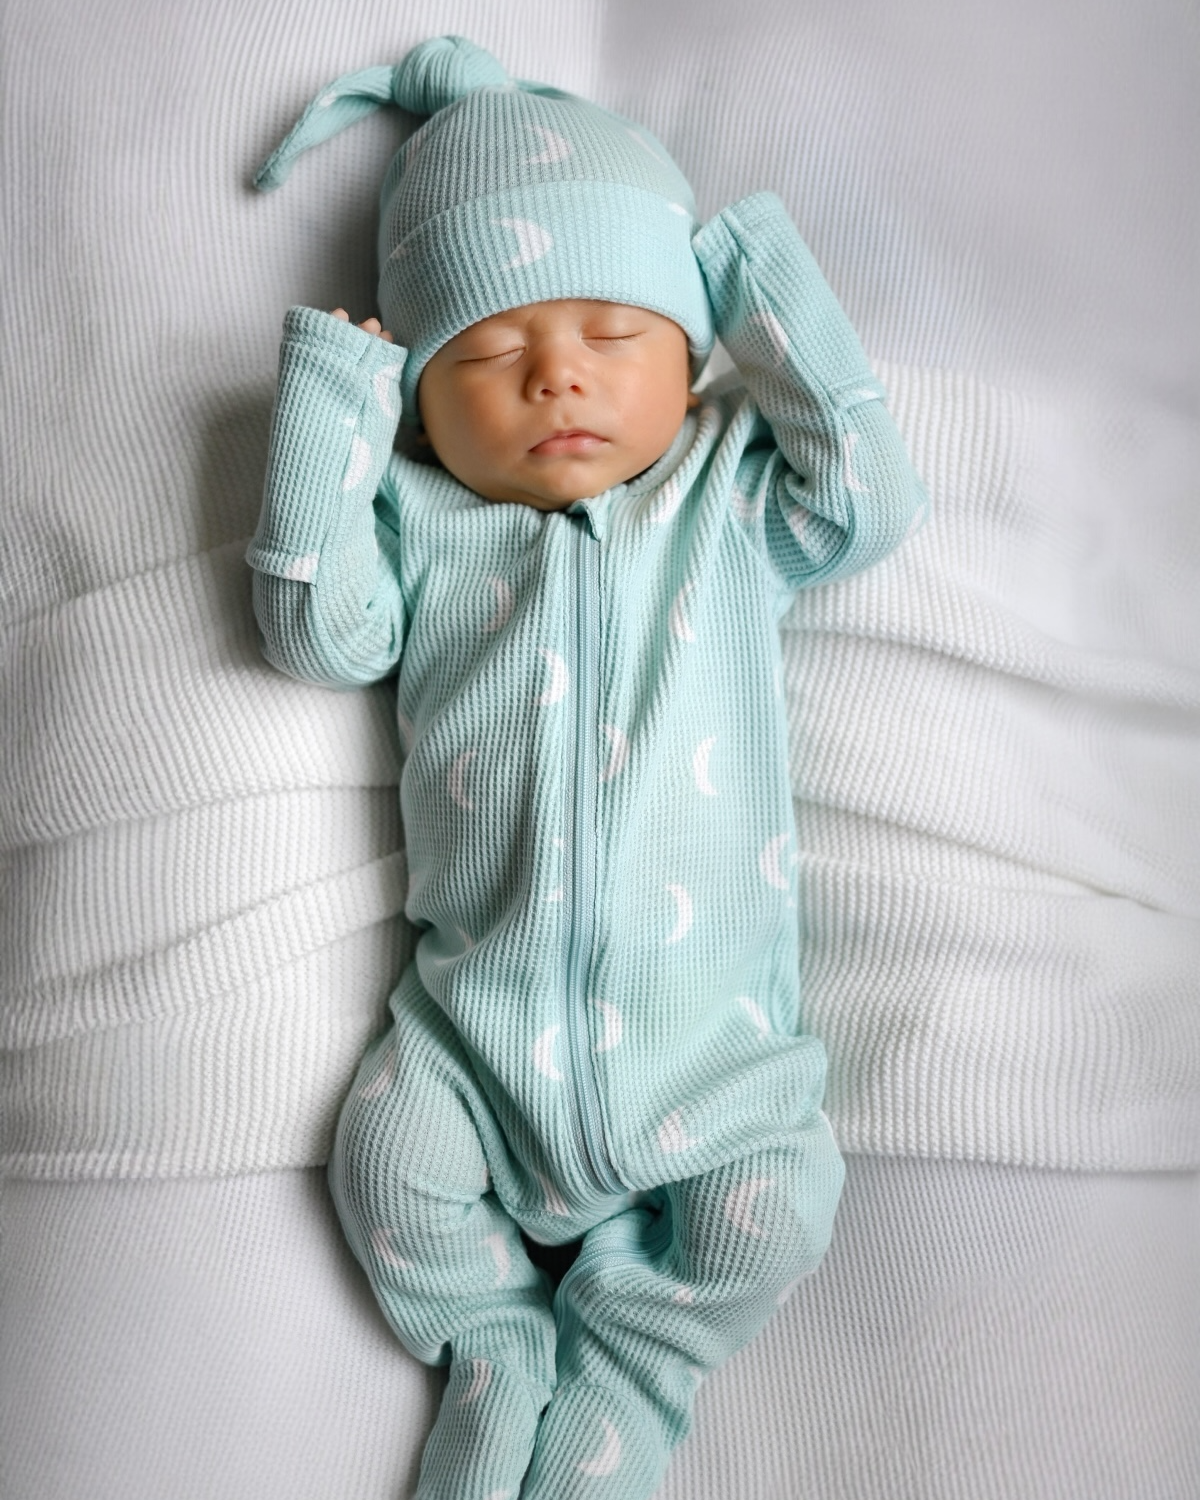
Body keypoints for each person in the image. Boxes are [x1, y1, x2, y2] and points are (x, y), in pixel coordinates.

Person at [248, 34, 925, 1500]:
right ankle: (494, 1346)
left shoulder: (728, 494)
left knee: (777, 1209)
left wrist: (751, 273)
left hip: (714, 1058)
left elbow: (874, 499)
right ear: (428, 405)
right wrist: (336, 406)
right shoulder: (424, 524)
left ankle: (634, 1360)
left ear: (689, 355)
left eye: (615, 333)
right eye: (488, 353)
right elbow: (312, 630)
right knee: (381, 1159)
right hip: (470, 1045)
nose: (557, 372)